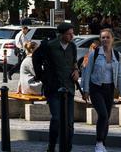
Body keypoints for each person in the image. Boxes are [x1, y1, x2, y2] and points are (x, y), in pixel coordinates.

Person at [32, 22, 79, 152]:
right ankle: (51, 146)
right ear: (61, 34)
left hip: (68, 88)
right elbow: (35, 58)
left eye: (72, 33)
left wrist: (76, 71)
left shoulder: (73, 47)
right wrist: (41, 76)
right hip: (53, 88)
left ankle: (67, 148)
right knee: (57, 118)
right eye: (69, 34)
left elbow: (74, 62)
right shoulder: (49, 45)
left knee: (69, 122)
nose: (71, 36)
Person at [80, 29, 121, 152]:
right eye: (103, 38)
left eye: (107, 37)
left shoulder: (117, 55)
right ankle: (99, 142)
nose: (105, 40)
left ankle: (102, 144)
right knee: (103, 114)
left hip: (109, 88)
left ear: (112, 39)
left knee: (107, 117)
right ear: (100, 40)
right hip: (96, 88)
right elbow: (86, 72)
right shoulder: (94, 54)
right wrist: (86, 90)